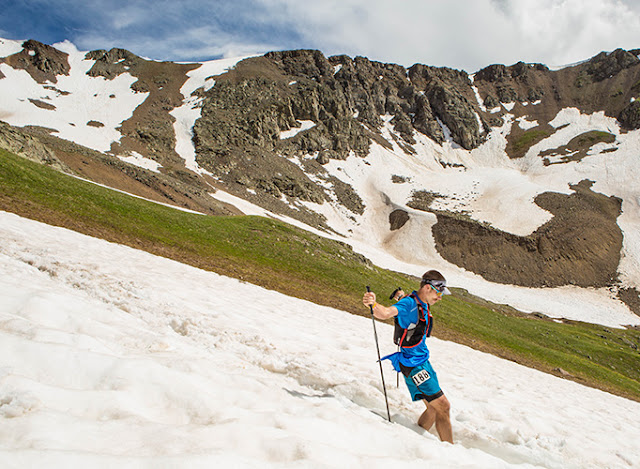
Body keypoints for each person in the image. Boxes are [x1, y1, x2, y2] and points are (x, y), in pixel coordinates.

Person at [363, 270, 453, 443]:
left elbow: (407, 305)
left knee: (433, 408)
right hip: (414, 365)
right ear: (428, 288)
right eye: (439, 292)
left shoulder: (421, 300)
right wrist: (372, 304)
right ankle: (451, 452)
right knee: (443, 406)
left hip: (422, 361)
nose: (440, 297)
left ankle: (416, 438)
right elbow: (386, 313)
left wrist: (399, 294)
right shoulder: (409, 303)